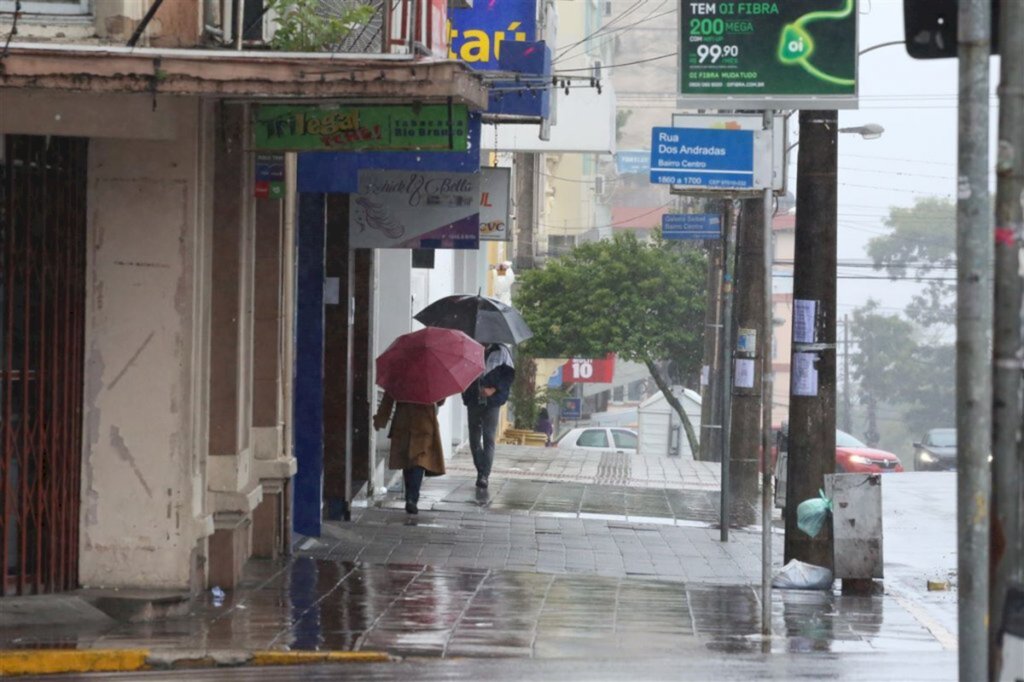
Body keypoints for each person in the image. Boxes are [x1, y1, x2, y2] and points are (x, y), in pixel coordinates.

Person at [373, 392, 445, 515]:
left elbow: (389, 397)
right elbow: (440, 401)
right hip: (424, 421)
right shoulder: (429, 380)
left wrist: (380, 419)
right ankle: (412, 498)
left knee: (407, 460)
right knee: (419, 460)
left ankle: (410, 497)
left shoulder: (400, 380)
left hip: (404, 420)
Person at [462, 343, 515, 489]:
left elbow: (509, 376)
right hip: (473, 399)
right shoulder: (469, 348)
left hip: (492, 402)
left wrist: (493, 389)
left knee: (489, 437)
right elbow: (462, 372)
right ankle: (481, 470)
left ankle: (484, 475)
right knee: (474, 439)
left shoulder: (502, 351)